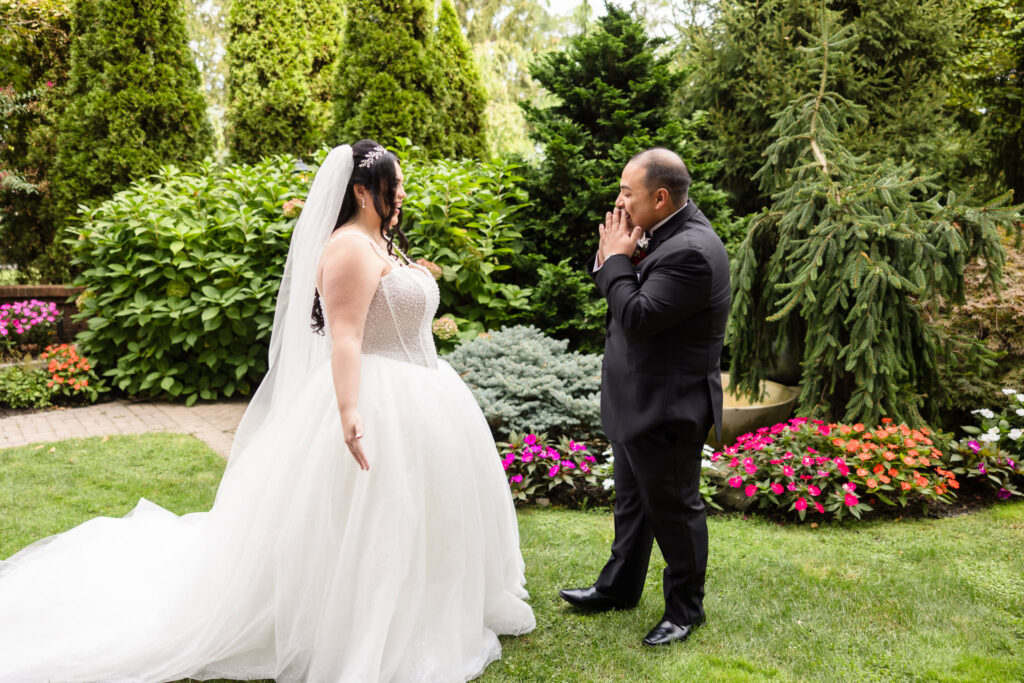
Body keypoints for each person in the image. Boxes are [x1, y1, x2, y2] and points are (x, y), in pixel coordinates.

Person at [0, 141, 535, 681]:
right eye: (392, 183)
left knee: (423, 508)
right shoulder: (348, 247)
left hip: (425, 392)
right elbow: (345, 338)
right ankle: (368, 620)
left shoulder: (380, 244)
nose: (400, 192)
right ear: (359, 190)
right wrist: (350, 412)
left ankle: (433, 601)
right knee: (373, 516)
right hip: (374, 394)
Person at [559, 148, 730, 647]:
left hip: (668, 406)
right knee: (633, 503)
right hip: (638, 398)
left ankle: (685, 610)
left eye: (627, 192)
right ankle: (618, 588)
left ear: (660, 197)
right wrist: (615, 259)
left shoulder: (691, 251)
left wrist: (617, 259)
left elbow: (635, 315)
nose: (619, 201)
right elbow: (617, 296)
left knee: (675, 510)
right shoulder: (661, 234)